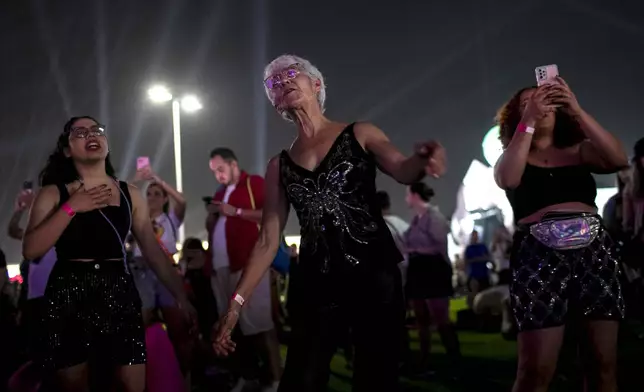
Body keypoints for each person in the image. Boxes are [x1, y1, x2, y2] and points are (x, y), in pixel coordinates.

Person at [213, 54, 447, 392]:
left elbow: (402, 169)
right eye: (274, 82)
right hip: (315, 284)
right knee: (301, 379)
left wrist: (422, 160)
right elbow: (267, 241)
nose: (284, 81)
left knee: (375, 378)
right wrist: (235, 306)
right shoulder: (279, 165)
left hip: (373, 276)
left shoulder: (360, 133)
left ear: (317, 83)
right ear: (274, 101)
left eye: (293, 73)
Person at [22, 116, 195, 391]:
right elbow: (31, 249)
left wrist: (181, 296)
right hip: (70, 290)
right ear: (67, 150)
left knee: (131, 383)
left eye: (96, 130)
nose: (91, 134)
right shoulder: (53, 194)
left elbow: (153, 252)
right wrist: (72, 207)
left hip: (118, 290)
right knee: (74, 382)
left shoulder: (131, 194)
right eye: (80, 132)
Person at [495, 79, 628, 392]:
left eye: (546, 100)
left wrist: (577, 110)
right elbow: (507, 178)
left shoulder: (579, 150)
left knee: (602, 362)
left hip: (594, 253)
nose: (541, 105)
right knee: (535, 369)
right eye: (529, 101)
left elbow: (618, 160)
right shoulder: (513, 155)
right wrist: (528, 121)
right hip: (539, 255)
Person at [206, 147, 282, 392]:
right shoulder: (220, 192)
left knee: (260, 324)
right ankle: (246, 375)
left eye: (220, 169)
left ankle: (275, 378)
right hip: (222, 269)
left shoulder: (254, 183)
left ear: (233, 164)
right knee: (231, 328)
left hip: (248, 267)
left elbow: (271, 214)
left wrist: (236, 212)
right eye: (213, 171)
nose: (217, 175)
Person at [130, 166, 193, 379]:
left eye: (158, 194)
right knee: (141, 325)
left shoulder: (171, 221)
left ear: (165, 199)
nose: (152, 197)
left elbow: (182, 202)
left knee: (177, 325)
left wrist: (158, 179)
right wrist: (138, 181)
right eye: (149, 193)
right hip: (142, 273)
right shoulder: (136, 221)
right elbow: (122, 201)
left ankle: (184, 375)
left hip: (166, 274)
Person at [403, 182, 460, 374]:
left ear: (415, 195)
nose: (406, 199)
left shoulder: (433, 217)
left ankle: (454, 359)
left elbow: (439, 246)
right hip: (419, 271)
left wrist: (414, 250)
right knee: (421, 319)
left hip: (433, 270)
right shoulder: (416, 220)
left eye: (407, 194)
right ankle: (425, 360)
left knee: (440, 318)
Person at [464, 230, 492, 300]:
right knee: (474, 294)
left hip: (484, 274)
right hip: (474, 275)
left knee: (485, 294)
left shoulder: (483, 246)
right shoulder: (469, 248)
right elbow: (466, 261)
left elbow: (488, 257)